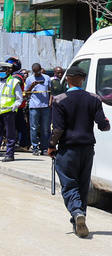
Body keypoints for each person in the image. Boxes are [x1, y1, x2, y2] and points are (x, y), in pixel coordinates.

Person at [48, 64, 110, 238]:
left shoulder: (60, 100)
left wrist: (51, 146)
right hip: (87, 150)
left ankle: (76, 212)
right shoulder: (94, 99)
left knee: (69, 184)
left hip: (68, 149)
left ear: (67, 79)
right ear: (82, 80)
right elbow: (104, 125)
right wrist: (106, 123)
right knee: (82, 185)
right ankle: (79, 218)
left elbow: (58, 129)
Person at [0, 61, 23, 162]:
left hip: (8, 111)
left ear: (8, 70)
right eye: (0, 70)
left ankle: (10, 154)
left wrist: (13, 108)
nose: (1, 72)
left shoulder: (14, 81)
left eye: (3, 70)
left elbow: (19, 98)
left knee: (10, 134)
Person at [24, 62, 52, 155]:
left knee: (45, 128)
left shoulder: (47, 78)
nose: (37, 73)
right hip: (34, 106)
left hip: (45, 106)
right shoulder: (29, 79)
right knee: (34, 128)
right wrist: (32, 86)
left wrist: (50, 101)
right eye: (35, 72)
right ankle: (35, 147)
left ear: (41, 69)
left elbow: (51, 91)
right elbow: (26, 93)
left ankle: (44, 147)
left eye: (38, 71)